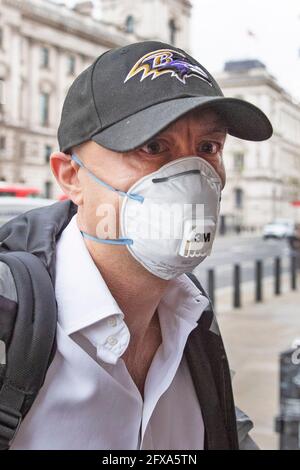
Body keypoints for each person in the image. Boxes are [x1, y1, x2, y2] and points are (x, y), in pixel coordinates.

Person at [0, 41, 272, 450]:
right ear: (71, 176)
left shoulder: (193, 321)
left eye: (208, 148)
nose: (192, 174)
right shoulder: (11, 320)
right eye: (153, 147)